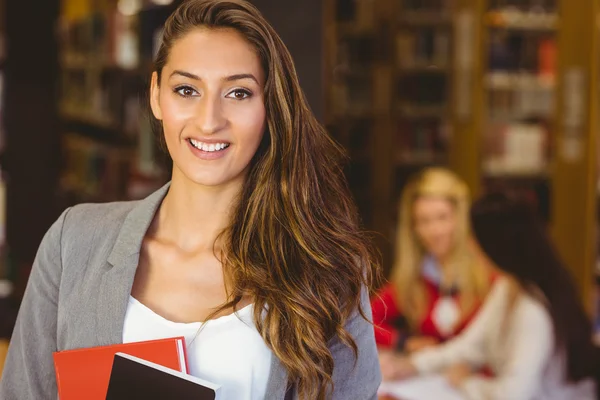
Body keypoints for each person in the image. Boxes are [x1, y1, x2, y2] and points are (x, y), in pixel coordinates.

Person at [0, 1, 382, 399]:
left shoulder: (327, 270)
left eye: (238, 92)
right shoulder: (73, 244)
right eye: (186, 90)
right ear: (155, 96)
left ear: (269, 107)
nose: (209, 120)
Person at [381, 193, 600, 400]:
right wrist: (414, 365)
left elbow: (513, 394)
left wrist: (466, 383)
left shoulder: (533, 309)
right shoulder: (507, 287)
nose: (470, 246)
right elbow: (472, 344)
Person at [371, 167, 492, 353]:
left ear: (460, 218)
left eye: (443, 217)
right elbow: (365, 321)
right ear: (414, 228)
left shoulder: (488, 270)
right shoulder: (414, 277)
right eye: (424, 221)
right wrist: (403, 342)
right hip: (430, 377)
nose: (434, 231)